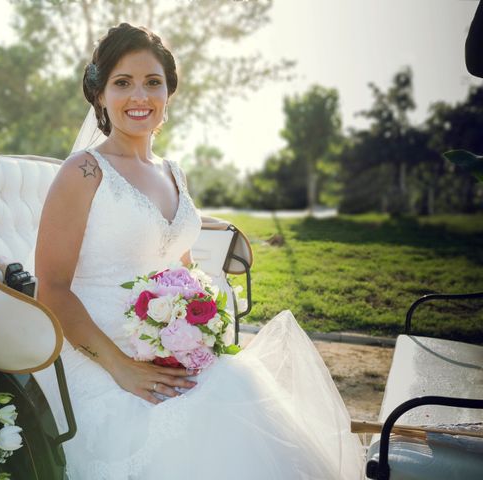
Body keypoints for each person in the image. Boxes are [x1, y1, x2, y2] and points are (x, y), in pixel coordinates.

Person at [35, 23, 364, 480]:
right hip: (98, 349)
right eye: (123, 83)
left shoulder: (173, 172)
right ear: (100, 95)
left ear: (169, 92)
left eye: (153, 82)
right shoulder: (84, 172)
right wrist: (122, 368)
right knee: (191, 427)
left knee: (238, 397)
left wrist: (199, 329)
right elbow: (50, 289)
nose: (140, 96)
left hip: (171, 347)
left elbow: (181, 266)